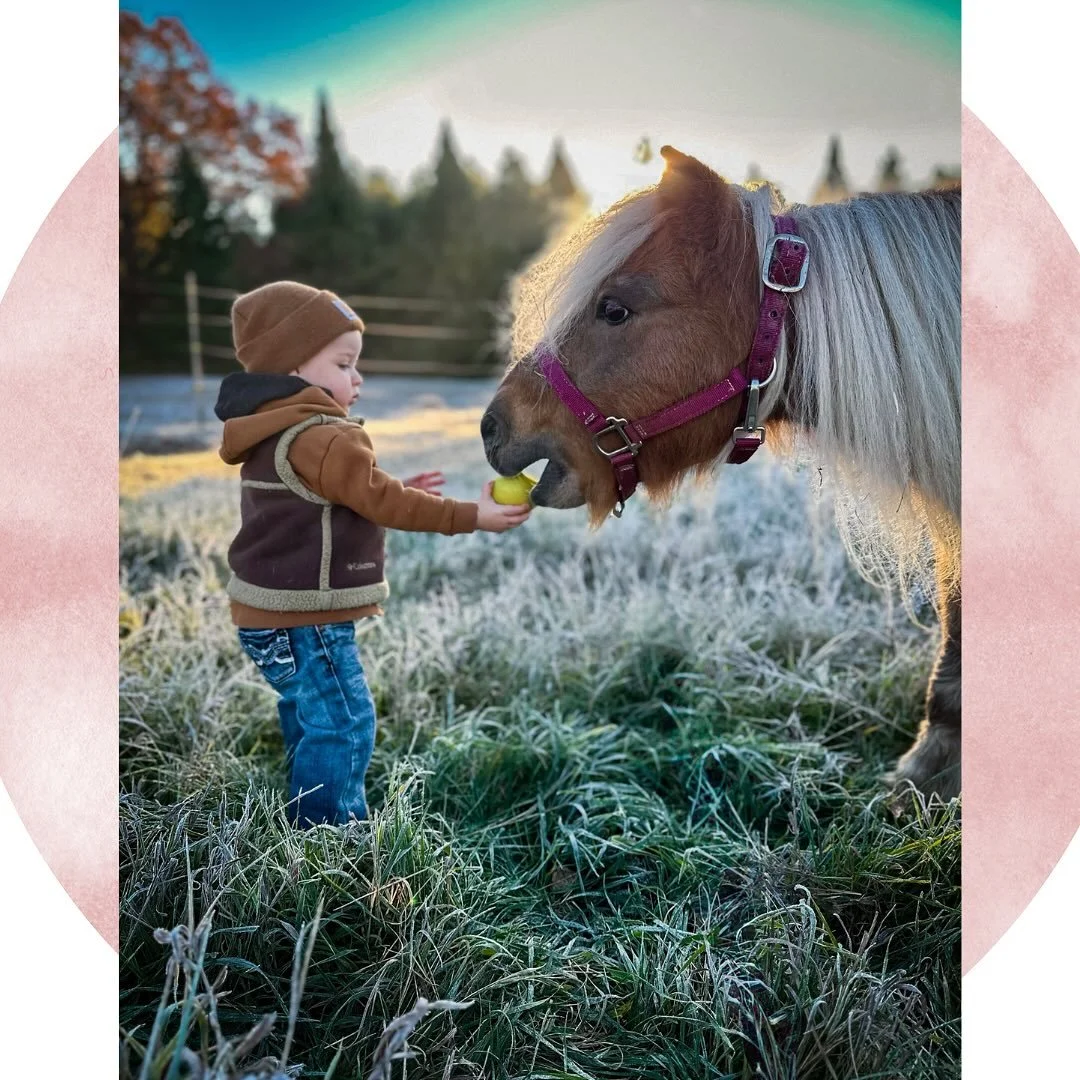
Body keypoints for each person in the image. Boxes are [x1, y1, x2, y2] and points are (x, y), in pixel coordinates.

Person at [215, 281, 531, 827]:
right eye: (343, 364)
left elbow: (323, 495)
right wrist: (469, 515)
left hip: (263, 614)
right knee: (344, 719)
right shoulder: (326, 436)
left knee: (309, 710)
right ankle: (327, 835)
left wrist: (391, 485)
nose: (357, 378)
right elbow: (382, 500)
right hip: (309, 617)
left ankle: (303, 792)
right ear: (292, 370)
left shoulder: (272, 429)